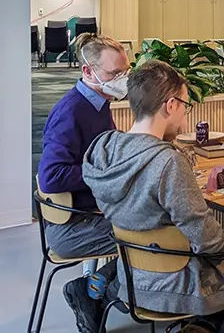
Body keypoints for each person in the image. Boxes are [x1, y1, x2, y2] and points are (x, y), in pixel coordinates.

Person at [83, 60, 224, 332]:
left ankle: (203, 326)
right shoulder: (167, 162)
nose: (185, 117)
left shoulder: (104, 148)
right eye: (185, 106)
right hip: (178, 283)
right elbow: (206, 238)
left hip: (129, 277)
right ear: (171, 106)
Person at [37, 34, 129, 331]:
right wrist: (103, 171)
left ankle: (95, 289)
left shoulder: (99, 104)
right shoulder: (73, 110)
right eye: (115, 74)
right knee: (155, 234)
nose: (122, 79)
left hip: (90, 215)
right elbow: (51, 177)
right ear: (88, 71)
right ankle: (98, 295)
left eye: (125, 71)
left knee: (154, 225)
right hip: (71, 227)